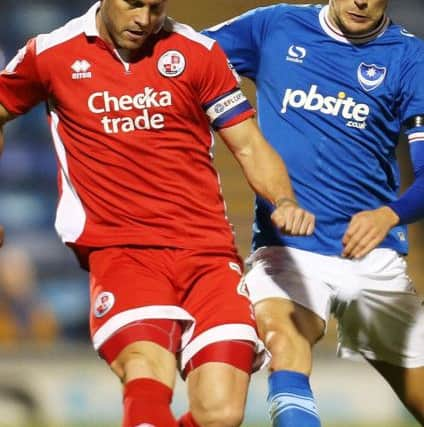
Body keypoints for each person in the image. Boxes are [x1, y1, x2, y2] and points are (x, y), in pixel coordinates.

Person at [0, 1, 315, 426]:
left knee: (221, 413)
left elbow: (248, 144)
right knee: (147, 371)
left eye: (155, 6)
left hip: (207, 254)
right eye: (134, 5)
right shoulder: (50, 54)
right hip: (123, 252)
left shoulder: (199, 53)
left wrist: (285, 201)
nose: (144, 19)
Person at [203, 1, 424, 426]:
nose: (361, 1)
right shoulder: (275, 26)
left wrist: (390, 215)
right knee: (284, 340)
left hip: (370, 253)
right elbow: (183, 56)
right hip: (287, 246)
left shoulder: (409, 58)